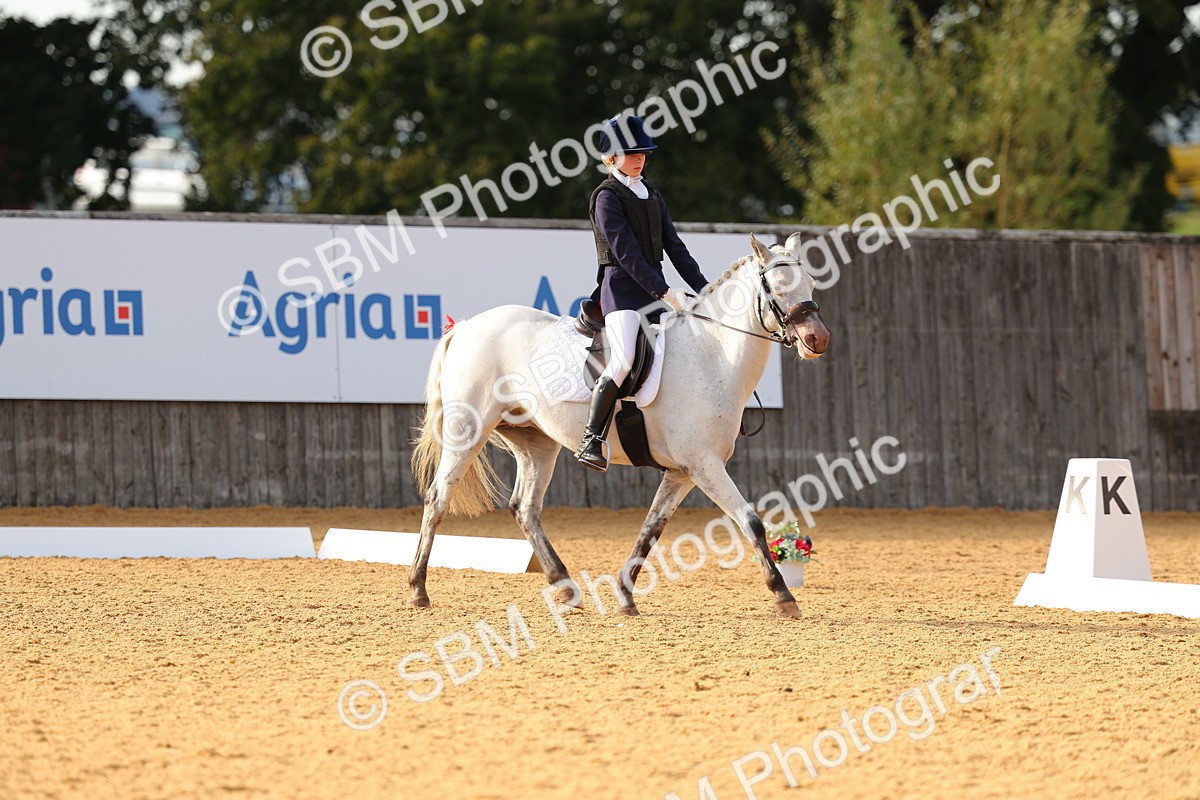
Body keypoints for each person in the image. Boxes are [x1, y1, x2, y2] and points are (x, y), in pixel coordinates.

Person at [574, 112, 710, 472]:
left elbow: (674, 246)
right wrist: (665, 291)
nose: (640, 158)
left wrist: (705, 288)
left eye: (644, 153)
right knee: (621, 361)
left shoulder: (651, 193)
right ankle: (592, 439)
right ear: (610, 158)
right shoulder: (606, 197)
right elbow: (626, 254)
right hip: (620, 292)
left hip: (654, 291)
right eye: (632, 153)